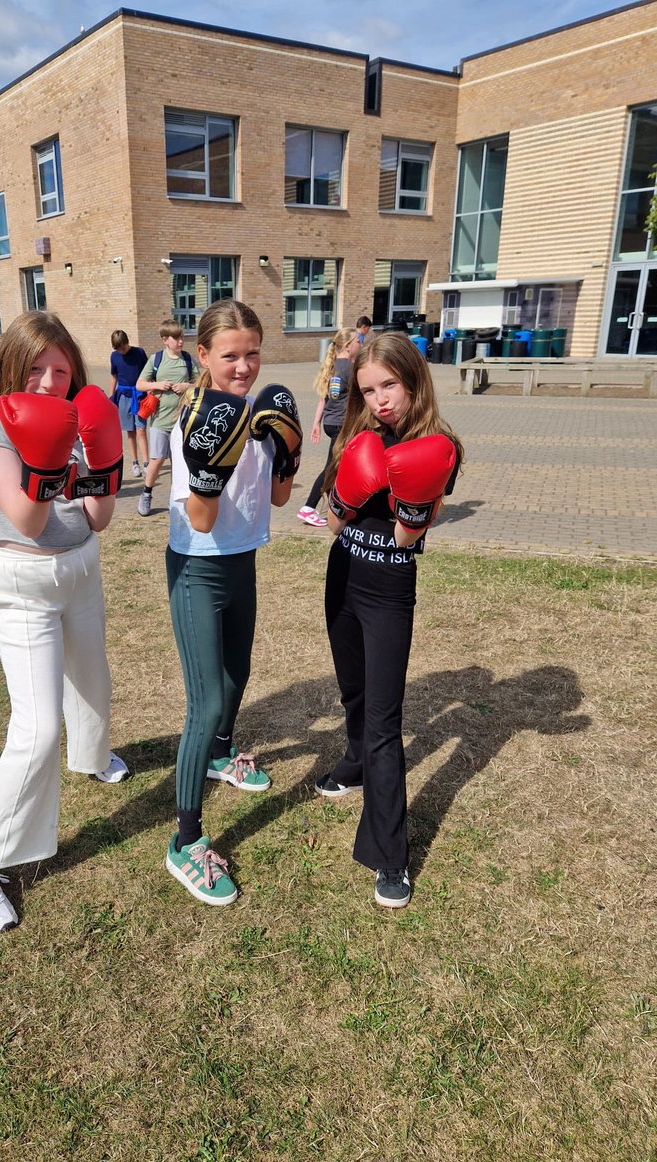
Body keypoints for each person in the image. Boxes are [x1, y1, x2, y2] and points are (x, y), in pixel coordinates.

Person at [0, 310, 129, 935]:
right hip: (22, 580)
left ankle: (92, 756)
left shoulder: (76, 418)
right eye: (37, 369)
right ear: (11, 365)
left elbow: (99, 517)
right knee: (37, 730)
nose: (52, 382)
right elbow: (27, 521)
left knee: (93, 681)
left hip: (81, 564)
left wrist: (102, 461)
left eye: (62, 370)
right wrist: (53, 456)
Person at [317, 333, 463, 910]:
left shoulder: (440, 446)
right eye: (368, 390)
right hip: (342, 577)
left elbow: (406, 539)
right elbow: (333, 524)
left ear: (413, 381)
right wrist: (349, 490)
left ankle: (389, 853)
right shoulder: (356, 435)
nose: (379, 400)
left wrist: (405, 492)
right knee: (353, 692)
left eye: (389, 386)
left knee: (384, 720)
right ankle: (354, 763)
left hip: (388, 592)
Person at [164, 299, 301, 906]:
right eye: (230, 356)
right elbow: (200, 518)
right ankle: (185, 840)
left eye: (252, 354)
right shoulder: (192, 422)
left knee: (237, 674)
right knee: (207, 700)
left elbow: (278, 499)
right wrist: (209, 470)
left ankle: (221, 755)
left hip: (242, 562)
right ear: (203, 355)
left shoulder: (259, 417)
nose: (243, 367)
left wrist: (288, 450)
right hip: (198, 569)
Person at [297, 327, 361, 528]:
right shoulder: (350, 369)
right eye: (358, 341)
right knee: (332, 467)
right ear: (348, 346)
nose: (361, 345)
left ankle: (339, 505)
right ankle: (309, 508)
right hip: (343, 425)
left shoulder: (332, 366)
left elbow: (323, 400)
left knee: (342, 466)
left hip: (331, 423)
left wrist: (316, 423)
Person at [134, 319, 198, 516]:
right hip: (160, 421)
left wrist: (187, 386)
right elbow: (140, 384)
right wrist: (157, 384)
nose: (181, 341)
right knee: (157, 459)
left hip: (182, 421)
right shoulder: (157, 359)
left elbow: (201, 383)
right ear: (165, 340)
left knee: (180, 462)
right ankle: (146, 493)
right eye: (176, 338)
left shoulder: (187, 359)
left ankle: (175, 499)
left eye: (182, 337)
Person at [108, 329, 149, 478]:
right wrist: (111, 397)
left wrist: (151, 390)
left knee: (141, 430)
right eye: (118, 348)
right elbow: (114, 377)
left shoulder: (139, 353)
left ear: (127, 342)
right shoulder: (114, 356)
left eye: (123, 347)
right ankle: (135, 462)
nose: (121, 350)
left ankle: (146, 462)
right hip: (123, 397)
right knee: (130, 432)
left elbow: (147, 373)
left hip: (139, 396)